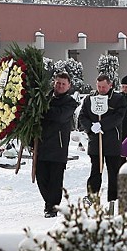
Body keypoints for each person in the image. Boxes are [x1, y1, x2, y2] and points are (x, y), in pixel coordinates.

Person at [78, 74, 127, 202]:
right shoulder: (89, 99)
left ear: (110, 85)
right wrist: (90, 127)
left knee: (114, 171)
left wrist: (102, 125)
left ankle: (114, 198)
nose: (101, 89)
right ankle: (92, 195)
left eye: (104, 87)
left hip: (112, 141)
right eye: (99, 86)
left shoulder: (118, 99)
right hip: (96, 141)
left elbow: (118, 116)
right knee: (95, 170)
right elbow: (83, 116)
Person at [36, 72, 78, 218]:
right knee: (40, 177)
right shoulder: (44, 97)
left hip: (58, 147)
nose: (60, 86)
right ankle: (49, 203)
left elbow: (59, 116)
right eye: (58, 83)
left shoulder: (70, 102)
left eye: (63, 84)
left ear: (68, 86)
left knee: (55, 180)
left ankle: (51, 207)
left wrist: (42, 109)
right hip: (41, 146)